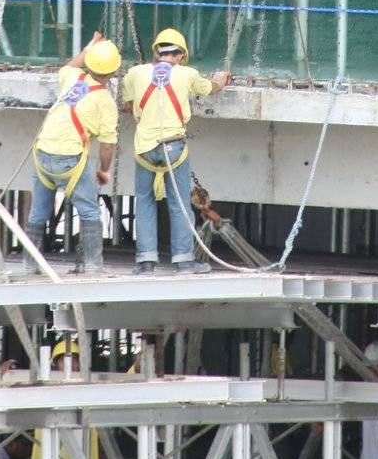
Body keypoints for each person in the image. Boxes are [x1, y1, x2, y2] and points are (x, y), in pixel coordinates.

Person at [121, 27, 230, 275]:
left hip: (145, 148)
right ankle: (184, 262)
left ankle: (145, 262)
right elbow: (210, 88)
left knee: (145, 201)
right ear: (180, 55)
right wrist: (220, 81)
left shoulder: (136, 73)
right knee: (179, 203)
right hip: (174, 147)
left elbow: (128, 105)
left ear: (156, 53)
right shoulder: (187, 74)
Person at [25, 33, 120, 274]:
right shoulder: (104, 100)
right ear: (113, 71)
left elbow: (70, 64)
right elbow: (107, 144)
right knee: (89, 210)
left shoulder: (73, 78)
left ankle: (29, 265)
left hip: (42, 153)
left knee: (38, 211)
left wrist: (90, 47)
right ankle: (92, 265)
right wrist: (103, 170)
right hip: (70, 159)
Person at [29, 339, 101, 459]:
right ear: (55, 363)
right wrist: (6, 371)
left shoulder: (90, 386)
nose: (71, 364)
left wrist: (136, 368)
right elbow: (16, 386)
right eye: (65, 359)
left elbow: (126, 387)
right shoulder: (43, 385)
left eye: (75, 359)